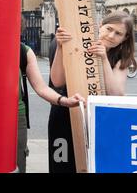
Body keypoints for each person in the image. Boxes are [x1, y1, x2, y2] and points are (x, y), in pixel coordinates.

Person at [48, 11, 136, 172]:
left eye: (118, 33)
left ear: (125, 38)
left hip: (98, 120)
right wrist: (60, 47)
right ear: (100, 25)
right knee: (61, 165)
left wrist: (103, 60)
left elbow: (116, 94)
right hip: (66, 114)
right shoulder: (71, 41)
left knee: (91, 166)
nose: (111, 35)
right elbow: (57, 81)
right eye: (109, 29)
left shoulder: (122, 56)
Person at [17, 42, 84, 173]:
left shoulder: (23, 51)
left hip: (16, 117)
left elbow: (41, 87)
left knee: (17, 164)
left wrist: (64, 101)